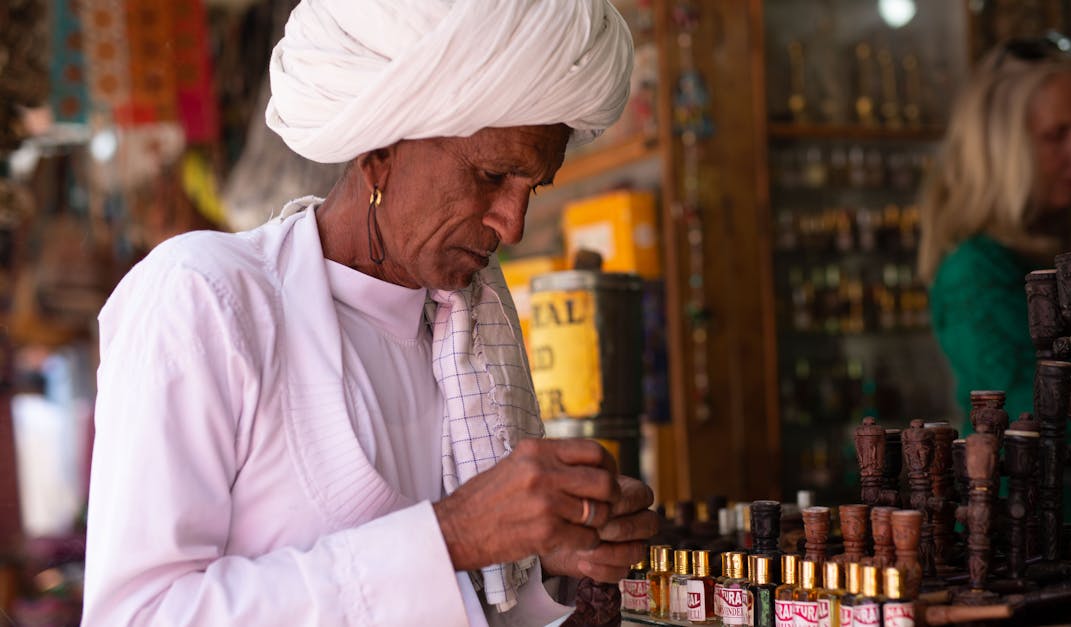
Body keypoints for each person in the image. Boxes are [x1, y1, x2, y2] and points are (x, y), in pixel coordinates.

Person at [82, 2, 658, 625]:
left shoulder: (471, 330)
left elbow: (479, 600)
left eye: (532, 189)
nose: (512, 226)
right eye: (492, 175)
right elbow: (136, 615)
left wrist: (552, 558)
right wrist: (453, 536)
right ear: (378, 153)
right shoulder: (205, 299)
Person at [917, 33, 1071, 454]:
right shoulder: (972, 268)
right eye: (1057, 135)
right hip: (1015, 514)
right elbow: (1029, 412)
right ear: (999, 149)